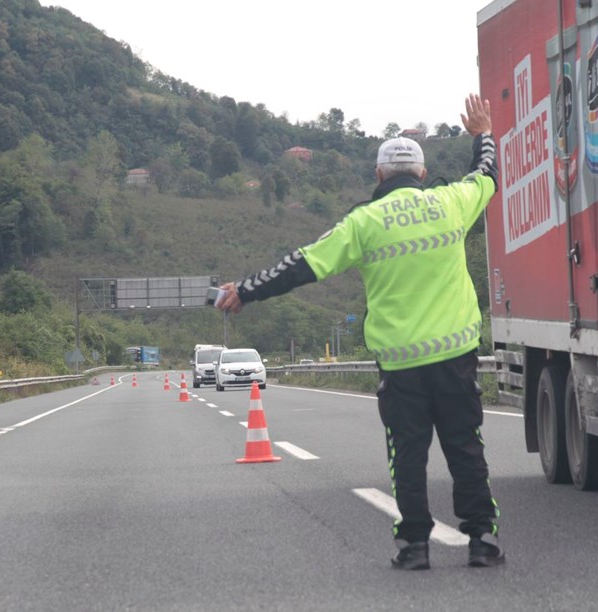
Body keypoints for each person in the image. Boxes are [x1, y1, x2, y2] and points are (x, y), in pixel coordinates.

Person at [215, 94, 503, 570]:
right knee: (465, 447)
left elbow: (301, 265)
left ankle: (414, 548)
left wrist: (245, 289)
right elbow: (486, 174)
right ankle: (483, 541)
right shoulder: (451, 203)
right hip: (456, 357)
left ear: (378, 177)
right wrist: (483, 134)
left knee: (407, 455)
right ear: (423, 174)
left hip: (401, 364)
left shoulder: (363, 222)